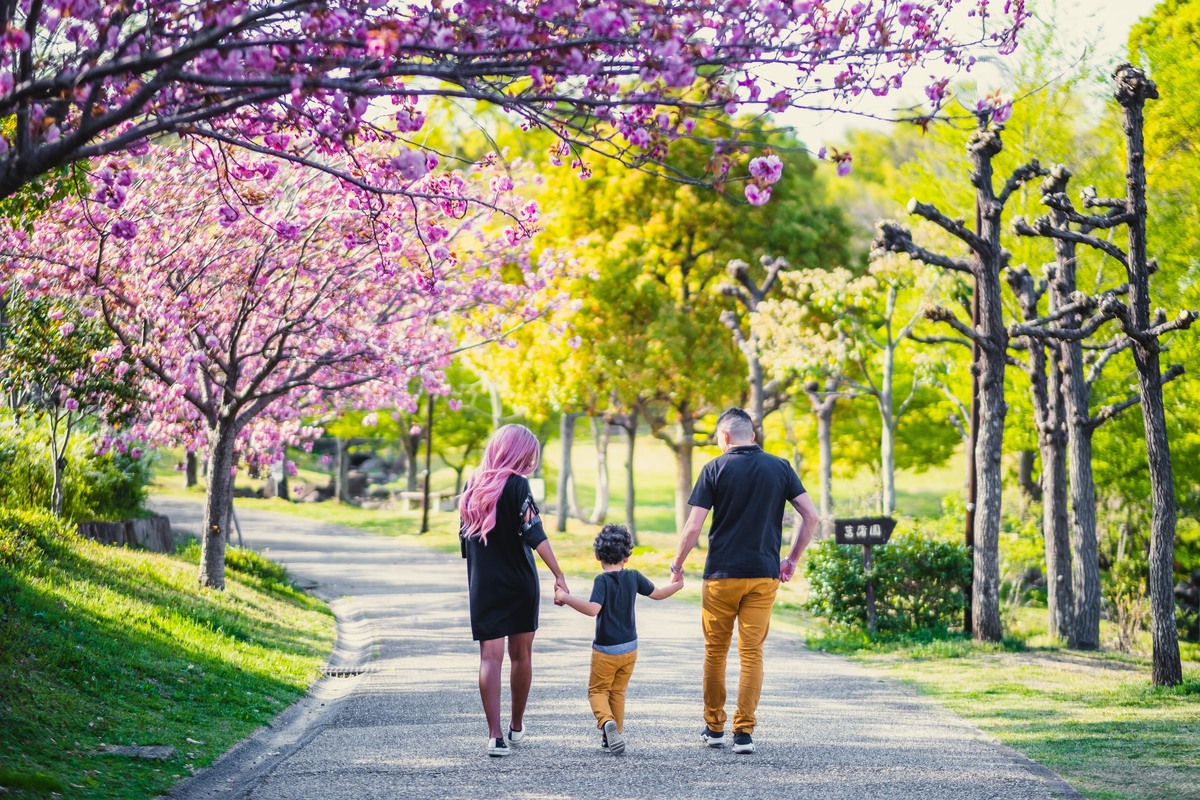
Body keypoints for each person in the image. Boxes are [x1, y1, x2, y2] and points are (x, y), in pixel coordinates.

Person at [668, 407, 820, 755]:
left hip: (721, 575)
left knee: (716, 653)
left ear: (723, 437)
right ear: (752, 435)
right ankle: (744, 733)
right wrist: (792, 559)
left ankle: (715, 728)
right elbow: (811, 515)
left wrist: (677, 564)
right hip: (764, 575)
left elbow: (694, 526)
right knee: (751, 654)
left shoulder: (715, 468)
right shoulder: (780, 467)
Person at [460, 424, 569, 758]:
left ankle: (495, 737)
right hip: (520, 583)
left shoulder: (471, 486)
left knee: (489, 658)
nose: (531, 463)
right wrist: (559, 573)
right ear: (518, 453)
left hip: (484, 585)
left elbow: (466, 546)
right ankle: (516, 727)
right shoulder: (519, 485)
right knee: (521, 656)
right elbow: (534, 533)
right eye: (529, 456)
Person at [554, 524, 683, 757]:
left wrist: (565, 597)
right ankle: (613, 735)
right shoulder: (633, 577)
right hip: (630, 648)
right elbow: (659, 594)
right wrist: (678, 584)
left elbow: (593, 609)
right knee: (618, 692)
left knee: (597, 691)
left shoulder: (602, 581)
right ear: (627, 556)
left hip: (606, 650)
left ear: (597, 556)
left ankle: (606, 723)